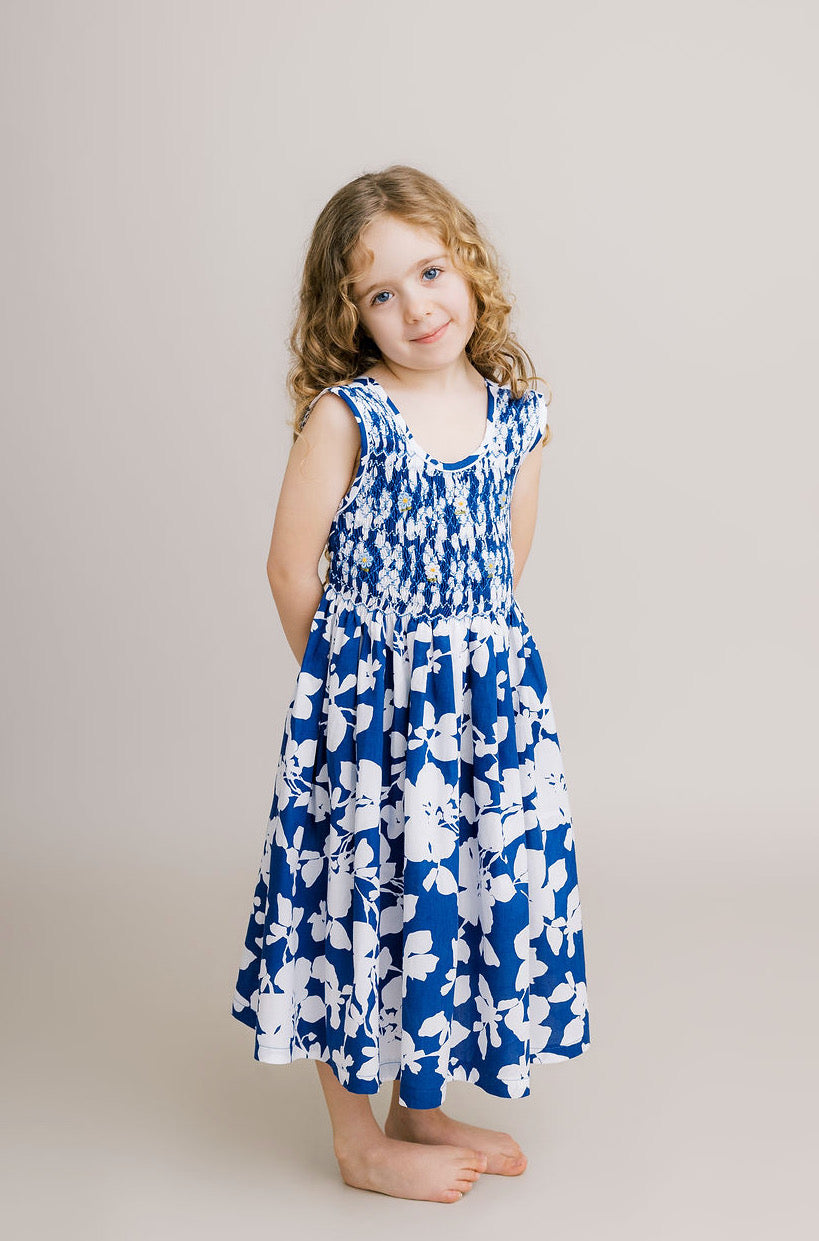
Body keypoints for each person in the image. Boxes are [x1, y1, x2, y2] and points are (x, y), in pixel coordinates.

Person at [230, 164, 591, 1204]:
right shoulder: (350, 414)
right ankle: (357, 1138)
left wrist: (468, 683)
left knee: (444, 897)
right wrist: (347, 697)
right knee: (355, 902)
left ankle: (418, 1106)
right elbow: (290, 567)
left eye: (431, 271)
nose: (417, 306)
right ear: (349, 315)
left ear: (469, 267)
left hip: (481, 716)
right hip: (367, 716)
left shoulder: (520, 416)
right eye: (380, 292)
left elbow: (504, 564)